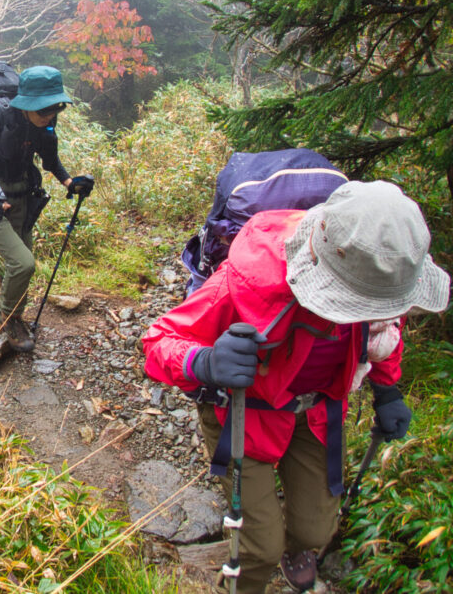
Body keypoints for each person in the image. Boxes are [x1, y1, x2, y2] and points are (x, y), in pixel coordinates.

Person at [142, 181, 449, 594]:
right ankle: (242, 582)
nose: (363, 311)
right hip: (245, 413)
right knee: (260, 546)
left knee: (316, 529)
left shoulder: (382, 276)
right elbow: (158, 341)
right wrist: (206, 362)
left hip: (319, 411)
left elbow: (383, 330)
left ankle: (299, 549)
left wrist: (387, 390)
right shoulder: (250, 279)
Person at [0, 65, 94, 352]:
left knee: (23, 265)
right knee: (23, 263)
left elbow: (50, 160)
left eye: (55, 108)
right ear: (25, 103)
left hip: (21, 197)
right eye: (43, 110)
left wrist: (69, 182)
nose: (50, 115)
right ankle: (5, 318)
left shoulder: (45, 123)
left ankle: (13, 317)